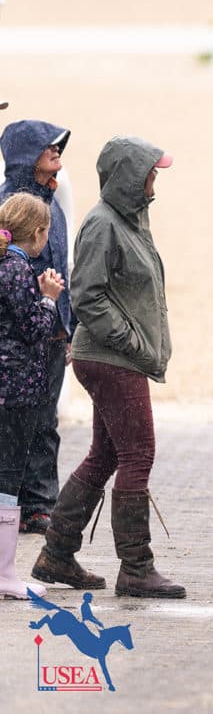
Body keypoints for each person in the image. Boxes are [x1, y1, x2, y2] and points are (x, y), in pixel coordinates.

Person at [31, 136, 183, 598]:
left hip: (115, 357)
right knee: (139, 454)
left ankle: (56, 554)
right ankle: (136, 567)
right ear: (129, 178)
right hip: (111, 359)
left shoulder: (131, 220)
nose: (155, 180)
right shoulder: (103, 225)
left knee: (107, 453)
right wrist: (133, 342)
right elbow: (87, 295)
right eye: (150, 173)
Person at [0, 119, 74, 536]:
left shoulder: (55, 205)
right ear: (28, 155)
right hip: (22, 337)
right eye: (49, 147)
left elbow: (62, 271)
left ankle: (40, 505)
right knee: (20, 426)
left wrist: (68, 325)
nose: (57, 152)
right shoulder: (9, 207)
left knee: (46, 423)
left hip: (52, 330)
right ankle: (24, 506)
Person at [0, 192, 64, 599]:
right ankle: (5, 574)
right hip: (16, 391)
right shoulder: (17, 269)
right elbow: (33, 328)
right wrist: (49, 298)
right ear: (38, 234)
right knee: (8, 481)